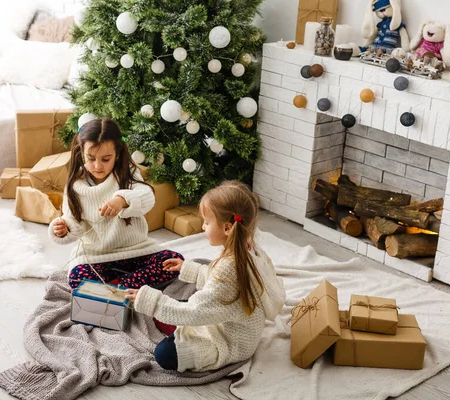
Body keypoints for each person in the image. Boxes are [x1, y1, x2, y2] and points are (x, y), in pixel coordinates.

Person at [125, 181, 286, 372]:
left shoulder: (229, 267)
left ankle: (174, 327)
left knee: (164, 353)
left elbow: (196, 310)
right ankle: (172, 319)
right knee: (175, 306)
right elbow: (219, 281)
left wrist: (150, 301)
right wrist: (189, 269)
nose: (202, 227)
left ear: (227, 228)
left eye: (207, 222)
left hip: (231, 342)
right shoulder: (248, 248)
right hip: (237, 325)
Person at [49, 118, 181, 289]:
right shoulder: (75, 185)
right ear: (81, 152)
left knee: (174, 262)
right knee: (77, 278)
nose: (97, 166)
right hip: (97, 257)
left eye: (106, 159)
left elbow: (147, 197)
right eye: (90, 158)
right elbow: (75, 223)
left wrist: (123, 200)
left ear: (117, 154)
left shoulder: (127, 173)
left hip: (136, 251)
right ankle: (123, 288)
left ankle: (115, 288)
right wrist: (63, 228)